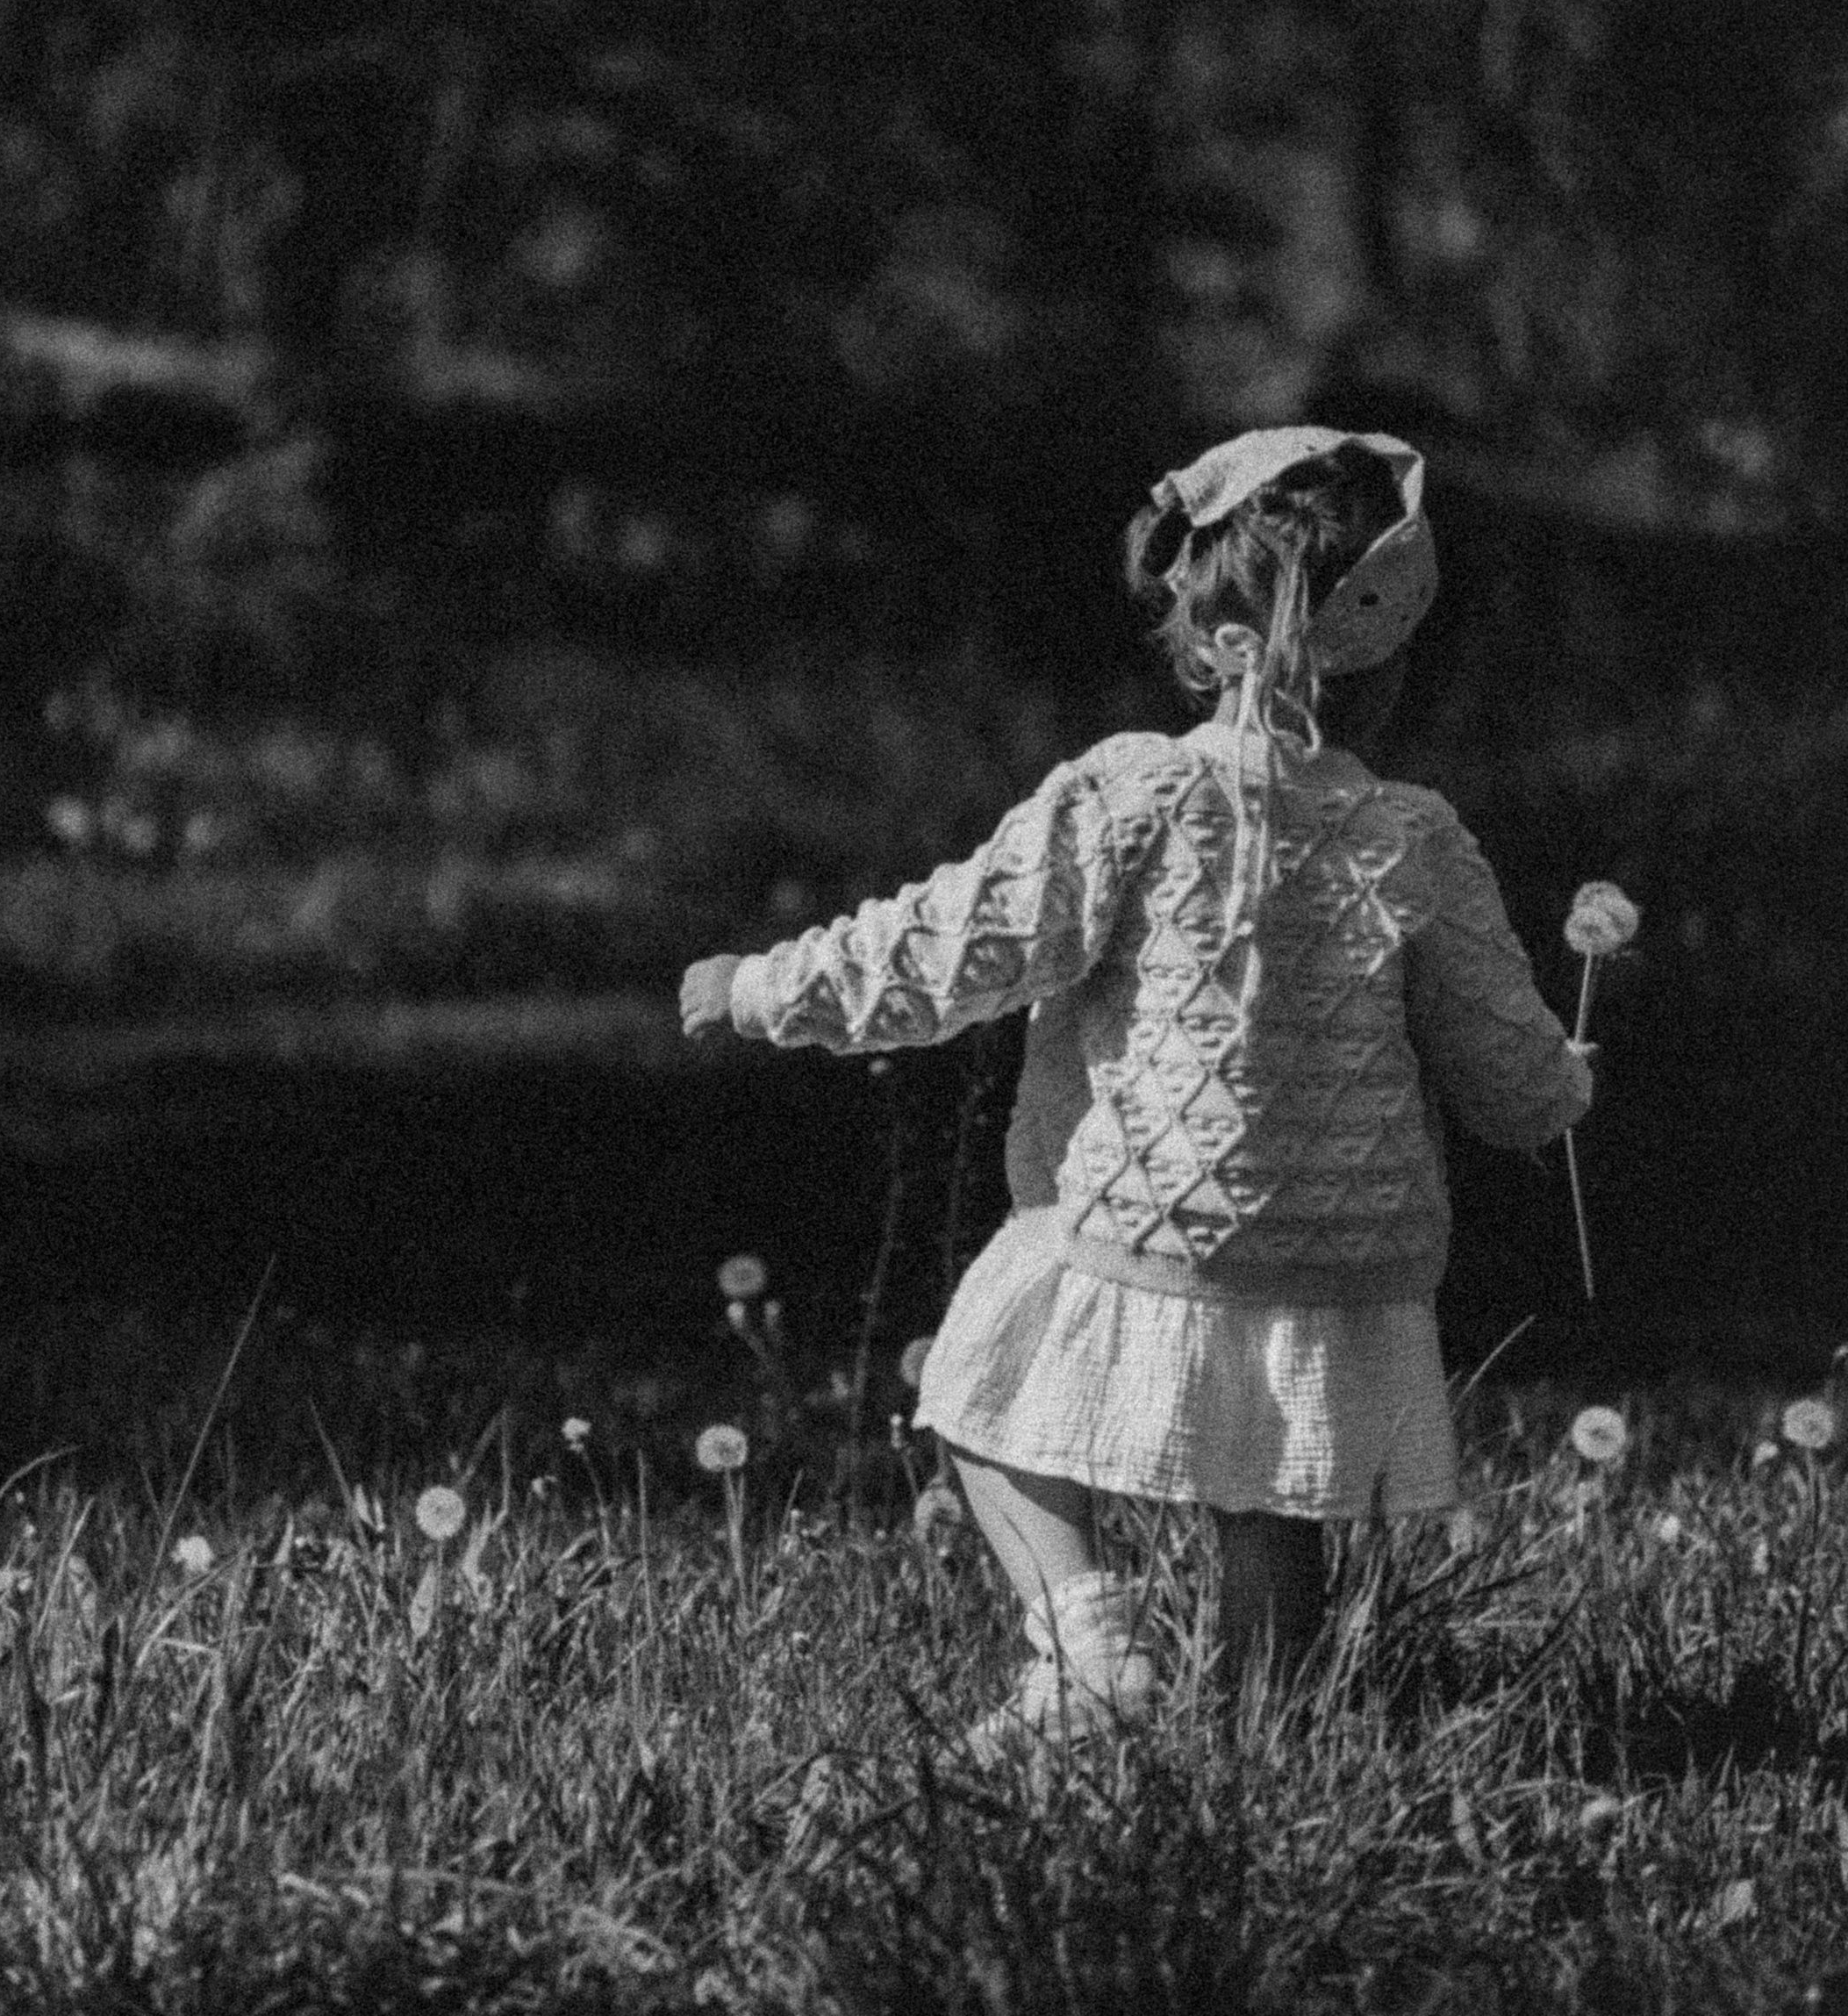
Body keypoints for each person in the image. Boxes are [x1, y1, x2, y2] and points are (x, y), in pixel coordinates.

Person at [678, 427, 1593, 1755]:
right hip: (1345, 1258)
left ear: (1212, 644)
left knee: (979, 1398)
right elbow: (1507, 1068)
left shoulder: (1137, 799)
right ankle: (1276, 1739)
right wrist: (1561, 1085)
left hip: (1150, 1221)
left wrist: (765, 988)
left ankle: (1089, 1642)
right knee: (1269, 1500)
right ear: (1381, 669)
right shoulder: (1420, 839)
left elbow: (950, 948)